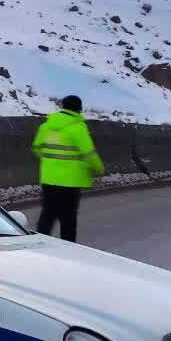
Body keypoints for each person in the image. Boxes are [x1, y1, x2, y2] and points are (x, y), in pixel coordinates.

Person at [31, 95, 104, 242]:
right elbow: (89, 153)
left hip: (49, 179)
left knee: (47, 215)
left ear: (62, 107)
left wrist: (52, 163)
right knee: (68, 219)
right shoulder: (78, 128)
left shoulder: (46, 126)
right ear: (79, 109)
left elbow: (37, 148)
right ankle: (69, 250)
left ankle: (38, 245)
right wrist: (99, 169)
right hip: (71, 182)